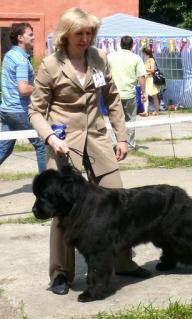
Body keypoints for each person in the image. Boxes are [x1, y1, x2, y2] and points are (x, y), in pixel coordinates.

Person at [28, 8, 152, 296]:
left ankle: (122, 262)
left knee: (117, 203)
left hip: (97, 142)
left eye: (89, 33)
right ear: (66, 34)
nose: (85, 38)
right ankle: (61, 273)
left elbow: (113, 100)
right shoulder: (50, 65)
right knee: (63, 211)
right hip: (63, 145)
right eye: (79, 33)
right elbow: (35, 111)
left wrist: (121, 137)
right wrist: (49, 138)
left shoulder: (99, 59)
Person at [0, 22, 47, 173]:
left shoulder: (9, 55)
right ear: (20, 38)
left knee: (4, 149)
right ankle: (47, 190)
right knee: (42, 144)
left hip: (7, 110)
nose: (34, 37)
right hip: (19, 110)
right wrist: (42, 89)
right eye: (30, 34)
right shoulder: (20, 60)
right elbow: (23, 89)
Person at [107, 35, 147, 150]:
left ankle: (116, 143)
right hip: (129, 93)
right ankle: (129, 144)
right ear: (132, 45)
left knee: (115, 119)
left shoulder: (110, 57)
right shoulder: (136, 58)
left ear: (120, 44)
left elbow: (105, 74)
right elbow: (141, 77)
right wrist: (144, 92)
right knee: (130, 120)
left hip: (113, 93)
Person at [142, 47, 161, 116]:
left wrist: (144, 69)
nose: (143, 54)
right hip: (146, 79)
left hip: (150, 79)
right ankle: (146, 111)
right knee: (147, 95)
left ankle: (156, 111)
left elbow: (152, 70)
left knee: (153, 95)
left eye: (144, 53)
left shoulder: (151, 60)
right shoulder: (147, 60)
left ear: (146, 53)